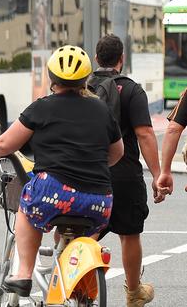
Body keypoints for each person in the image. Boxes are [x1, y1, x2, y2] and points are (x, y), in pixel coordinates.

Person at [0, 45, 124, 297]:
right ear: (85, 78)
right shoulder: (102, 110)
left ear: (51, 77)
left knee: (27, 207)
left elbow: (6, 144)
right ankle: (71, 273)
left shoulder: (42, 107)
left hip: (54, 193)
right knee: (75, 226)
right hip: (100, 200)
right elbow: (117, 153)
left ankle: (23, 274)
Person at [93, 34, 166, 306]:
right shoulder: (132, 90)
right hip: (124, 174)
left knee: (83, 230)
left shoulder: (82, 88)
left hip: (88, 174)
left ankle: (73, 281)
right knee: (129, 233)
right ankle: (134, 293)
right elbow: (145, 134)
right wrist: (158, 175)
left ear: (96, 58)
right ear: (121, 59)